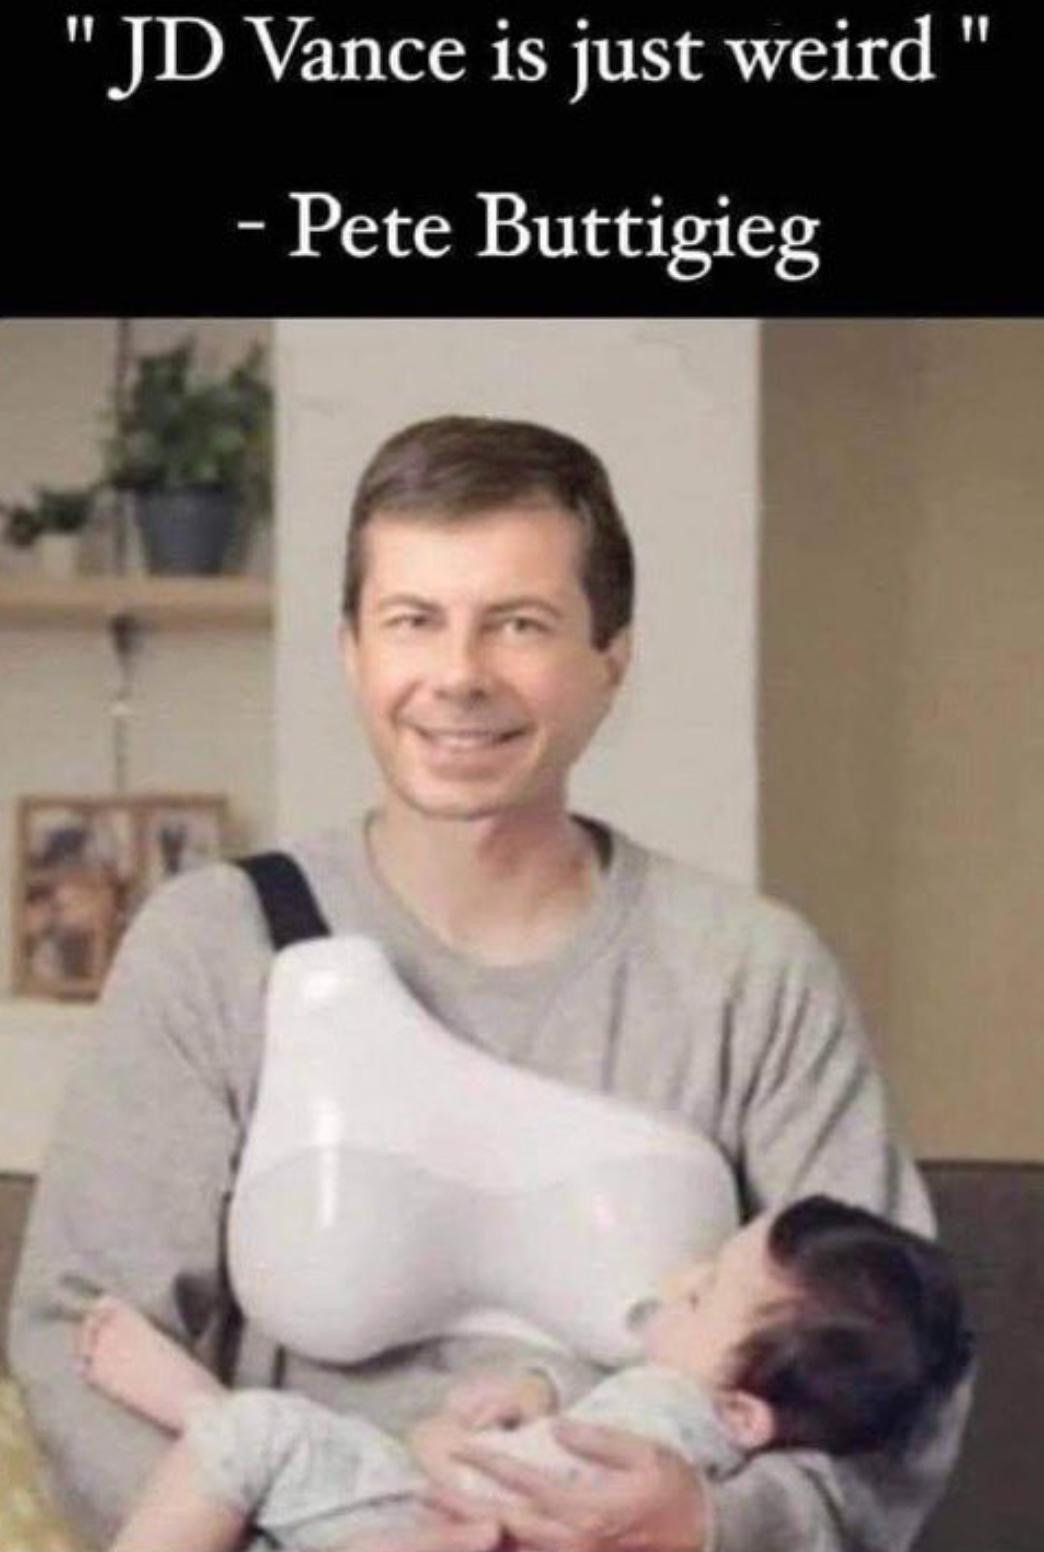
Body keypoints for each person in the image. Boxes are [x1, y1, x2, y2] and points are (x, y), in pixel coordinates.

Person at [10, 415, 967, 1552]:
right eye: (413, 620)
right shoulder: (215, 946)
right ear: (352, 649)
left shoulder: (750, 974)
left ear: (611, 659)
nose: (459, 676)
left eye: (520, 624)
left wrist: (712, 1521)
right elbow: (81, 1333)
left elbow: (909, 1378)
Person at [77, 1197, 973, 1552]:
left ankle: (207, 1410)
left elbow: (499, 1499)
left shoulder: (670, 1422)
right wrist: (540, 1397)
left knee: (258, 1434)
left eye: (704, 1296)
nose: (678, 1280)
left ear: (740, 1412)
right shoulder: (692, 1427)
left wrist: (440, 1439)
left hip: (419, 1517)